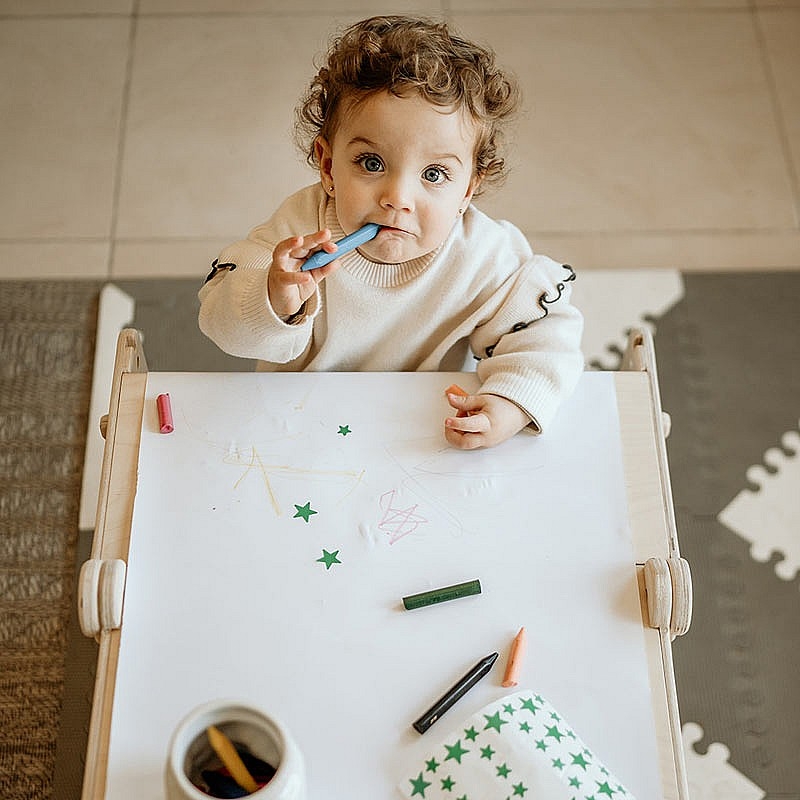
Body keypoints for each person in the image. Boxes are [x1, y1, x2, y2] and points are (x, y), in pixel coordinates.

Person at [199, 15, 583, 450]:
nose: (397, 198)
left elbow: (547, 335)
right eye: (372, 163)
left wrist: (510, 401)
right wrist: (272, 296)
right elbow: (221, 322)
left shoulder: (483, 255)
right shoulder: (301, 229)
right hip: (295, 426)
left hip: (419, 433)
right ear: (328, 166)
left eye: (434, 174)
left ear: (468, 191)